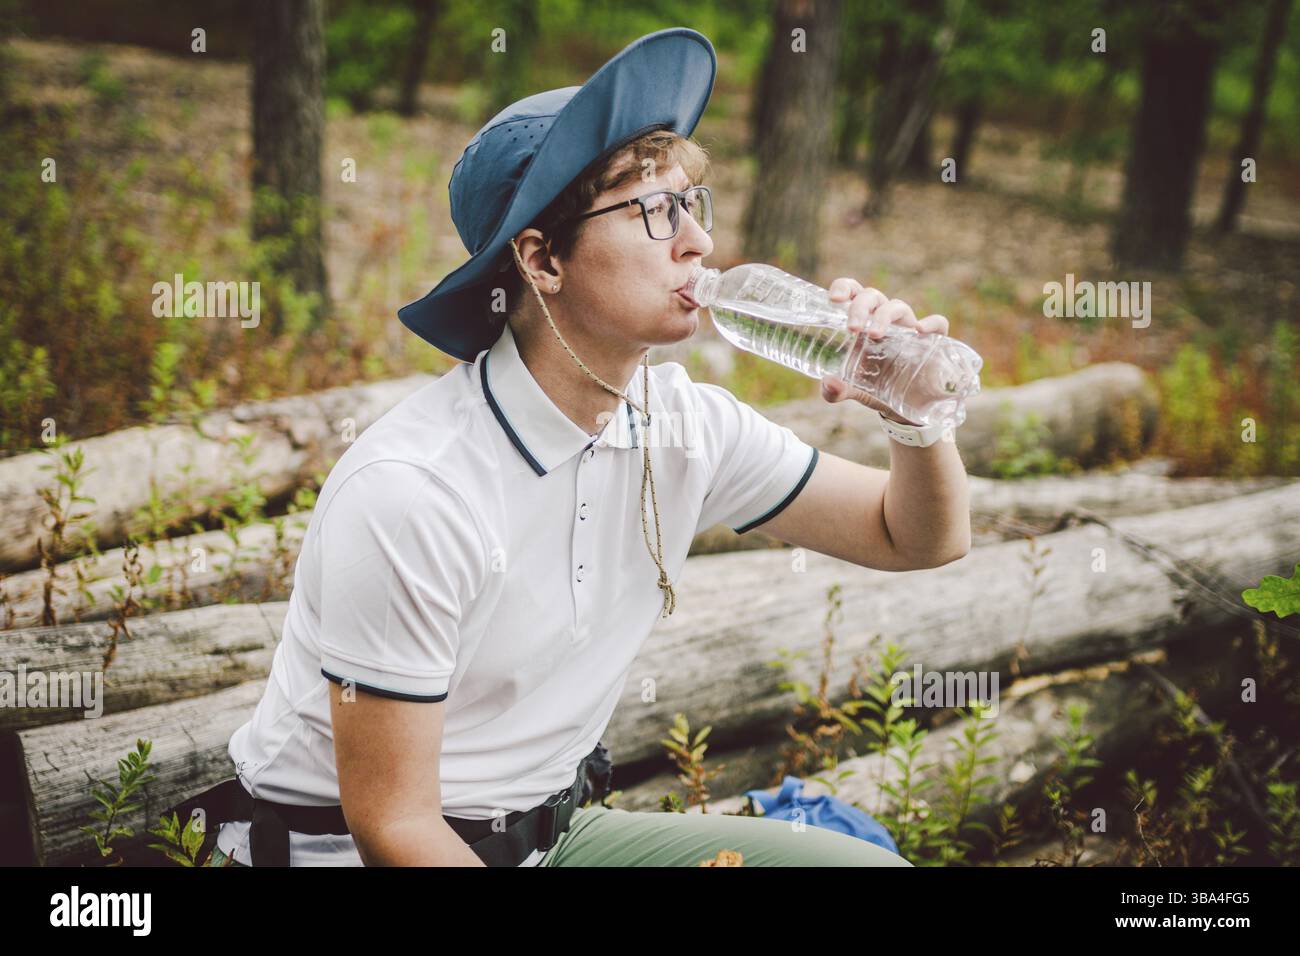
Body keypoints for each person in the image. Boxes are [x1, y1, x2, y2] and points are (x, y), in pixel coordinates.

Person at [191, 27, 969, 868]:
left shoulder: (684, 425)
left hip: (556, 838)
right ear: (541, 259)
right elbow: (396, 828)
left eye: (691, 205)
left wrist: (914, 416)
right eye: (652, 210)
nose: (698, 243)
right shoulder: (414, 490)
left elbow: (916, 537)